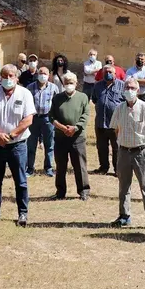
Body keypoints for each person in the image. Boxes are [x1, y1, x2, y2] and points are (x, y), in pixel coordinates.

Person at [0, 64, 35, 224]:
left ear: (17, 78)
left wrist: (11, 135)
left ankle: (23, 213)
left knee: (21, 181)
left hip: (17, 145)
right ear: (0, 77)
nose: (8, 79)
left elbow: (28, 119)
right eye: (5, 76)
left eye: (11, 76)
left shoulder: (25, 94)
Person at [109, 78, 145, 231]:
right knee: (124, 186)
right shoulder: (119, 108)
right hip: (124, 152)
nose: (129, 90)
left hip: (141, 152)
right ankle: (124, 216)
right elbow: (115, 129)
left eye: (132, 87)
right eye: (127, 87)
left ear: (137, 90)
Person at [50, 72, 90, 200]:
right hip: (61, 137)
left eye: (71, 83)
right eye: (66, 83)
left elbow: (85, 115)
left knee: (80, 165)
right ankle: (60, 192)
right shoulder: (57, 98)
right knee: (61, 166)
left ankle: (83, 191)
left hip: (77, 138)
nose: (69, 85)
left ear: (76, 83)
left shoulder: (83, 97)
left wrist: (75, 127)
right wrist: (62, 127)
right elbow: (52, 116)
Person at [91, 67, 124, 174]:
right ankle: (103, 167)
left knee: (116, 147)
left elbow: (125, 102)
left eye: (110, 72)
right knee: (101, 146)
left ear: (115, 74)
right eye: (106, 72)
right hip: (101, 121)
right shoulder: (98, 85)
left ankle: (117, 169)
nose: (108, 74)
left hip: (116, 123)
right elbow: (95, 99)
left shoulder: (122, 86)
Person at [27, 65, 58, 176]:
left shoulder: (53, 88)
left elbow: (57, 103)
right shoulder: (30, 87)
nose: (43, 75)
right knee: (31, 144)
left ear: (48, 75)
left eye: (45, 73)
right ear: (37, 74)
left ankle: (48, 168)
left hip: (47, 119)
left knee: (49, 144)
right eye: (41, 73)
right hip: (34, 119)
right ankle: (29, 168)